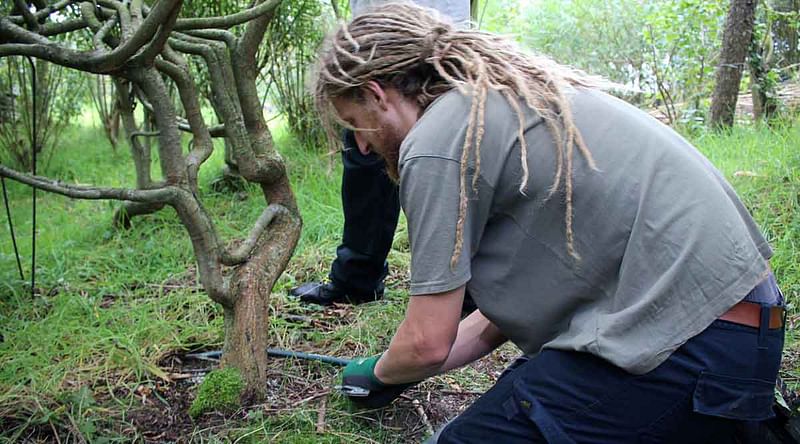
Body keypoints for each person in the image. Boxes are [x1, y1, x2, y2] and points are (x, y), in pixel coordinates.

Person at [312, 4, 786, 442]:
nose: (365, 148)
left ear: (377, 94)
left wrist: (375, 373)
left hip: (684, 349)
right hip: (739, 338)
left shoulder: (437, 140)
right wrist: (399, 371)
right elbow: (485, 328)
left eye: (356, 125)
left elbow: (427, 342)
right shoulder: (507, 100)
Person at [289, 0, 471, 307]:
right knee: (366, 161)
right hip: (367, 47)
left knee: (447, 168)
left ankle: (463, 289)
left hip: (436, 40)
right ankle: (357, 279)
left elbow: (428, 344)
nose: (359, 141)